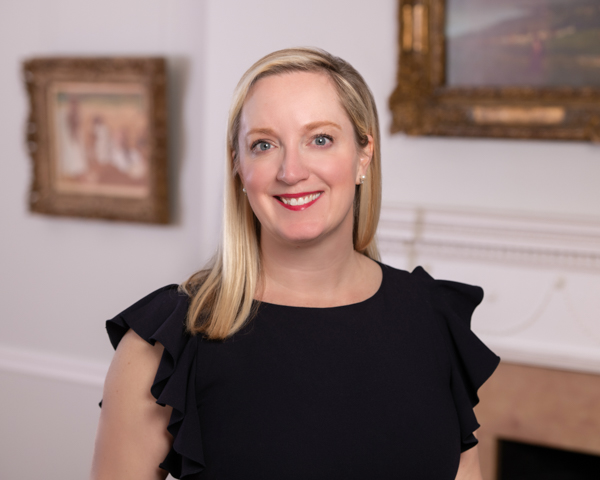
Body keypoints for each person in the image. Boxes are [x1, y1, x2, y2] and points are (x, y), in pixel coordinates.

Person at [91, 47, 499, 480]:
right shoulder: (166, 344)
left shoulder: (431, 318)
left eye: (319, 139)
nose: (291, 171)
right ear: (239, 166)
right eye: (264, 145)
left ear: (364, 154)